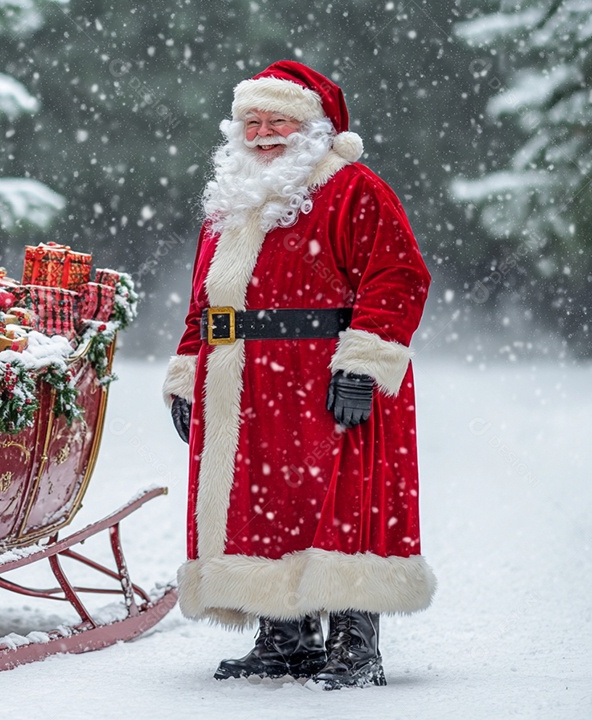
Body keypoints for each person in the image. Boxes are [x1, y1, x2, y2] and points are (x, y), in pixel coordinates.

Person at [162, 60, 435, 690]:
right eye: (251, 122)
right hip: (240, 378)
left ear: (310, 126)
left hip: (323, 371)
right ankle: (284, 638)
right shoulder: (229, 201)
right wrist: (185, 375)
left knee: (340, 501)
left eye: (277, 120)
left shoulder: (353, 188)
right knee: (263, 504)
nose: (262, 134)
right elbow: (205, 300)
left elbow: (397, 278)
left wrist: (363, 364)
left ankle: (353, 643)